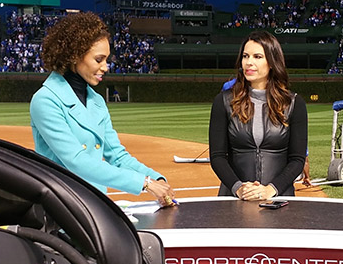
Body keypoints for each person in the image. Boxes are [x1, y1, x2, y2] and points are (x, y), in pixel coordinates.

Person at [29, 12, 176, 206]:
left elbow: (117, 155)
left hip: (95, 204)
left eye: (106, 60)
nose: (106, 67)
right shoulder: (45, 100)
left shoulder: (97, 100)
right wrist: (144, 183)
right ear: (74, 56)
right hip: (61, 207)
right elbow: (77, 161)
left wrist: (157, 179)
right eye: (99, 60)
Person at [208, 30, 307, 200]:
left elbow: (297, 160)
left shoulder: (294, 104)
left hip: (278, 199)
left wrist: (270, 190)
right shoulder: (223, 101)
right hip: (233, 198)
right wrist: (239, 189)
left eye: (257, 56)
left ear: (272, 61)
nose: (249, 62)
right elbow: (217, 157)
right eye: (246, 56)